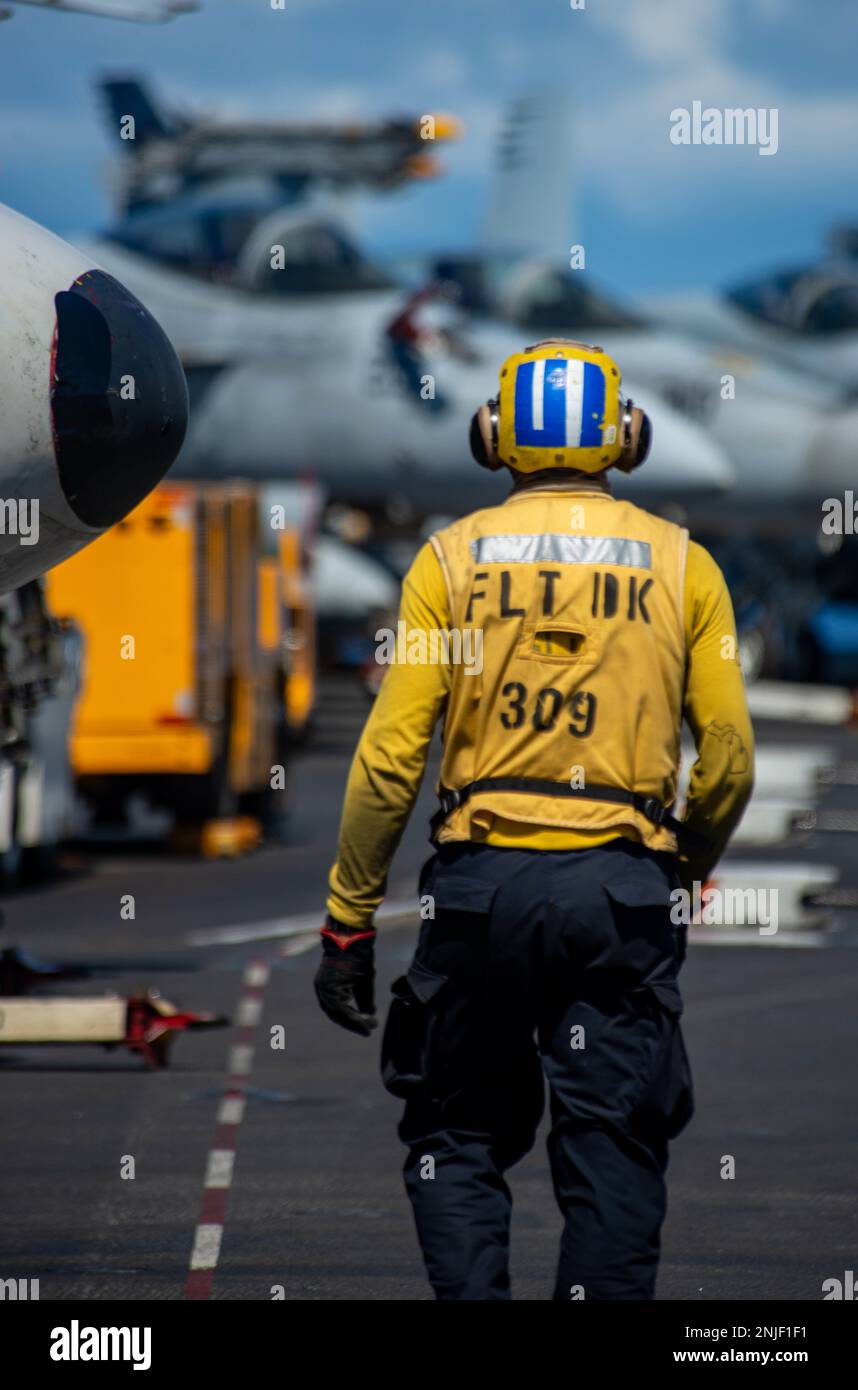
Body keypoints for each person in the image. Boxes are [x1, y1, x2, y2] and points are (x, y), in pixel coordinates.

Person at [315, 339, 755, 1300]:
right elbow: (726, 756)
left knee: (455, 1131)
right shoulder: (687, 567)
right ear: (625, 437)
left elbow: (390, 758)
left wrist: (349, 922)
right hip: (620, 889)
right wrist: (682, 869)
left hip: (478, 895)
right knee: (615, 1146)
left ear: (492, 437)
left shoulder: (449, 559)